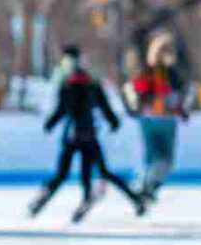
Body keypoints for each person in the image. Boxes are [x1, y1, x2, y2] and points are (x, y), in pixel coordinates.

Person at [30, 46, 146, 223]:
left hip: (75, 135)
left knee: (65, 173)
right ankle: (131, 199)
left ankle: (46, 200)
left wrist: (50, 124)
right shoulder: (89, 82)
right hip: (88, 134)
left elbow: (63, 109)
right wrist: (113, 121)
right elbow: (103, 105)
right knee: (98, 171)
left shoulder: (69, 82)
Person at [123, 32, 190, 201]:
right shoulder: (172, 74)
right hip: (166, 120)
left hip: (147, 120)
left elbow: (133, 92)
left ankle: (146, 185)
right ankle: (149, 185)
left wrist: (136, 108)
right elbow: (177, 97)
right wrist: (181, 112)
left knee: (151, 157)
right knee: (166, 160)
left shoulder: (145, 72)